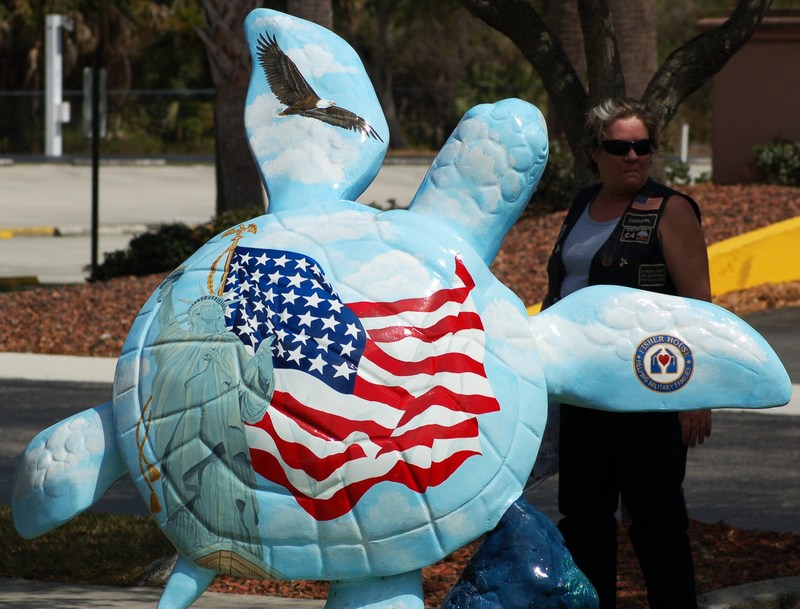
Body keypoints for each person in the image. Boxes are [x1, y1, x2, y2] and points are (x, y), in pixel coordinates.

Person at [541, 97, 712, 609]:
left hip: (646, 392)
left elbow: (698, 308)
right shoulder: (582, 203)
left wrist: (695, 395)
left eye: (644, 146)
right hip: (581, 391)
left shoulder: (671, 209)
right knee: (583, 517)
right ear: (594, 151)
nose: (633, 156)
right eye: (620, 147)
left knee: (656, 518)